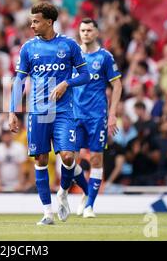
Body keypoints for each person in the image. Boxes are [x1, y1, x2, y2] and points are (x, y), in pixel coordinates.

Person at [9, 1, 90, 225]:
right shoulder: (28, 48)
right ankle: (47, 212)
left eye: (36, 21)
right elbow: (19, 80)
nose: (32, 25)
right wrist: (12, 111)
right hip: (37, 112)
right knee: (41, 159)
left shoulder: (69, 45)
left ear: (49, 21)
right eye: (31, 20)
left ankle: (65, 192)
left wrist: (67, 83)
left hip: (63, 111)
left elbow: (85, 75)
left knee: (67, 156)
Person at [68, 18, 123, 218]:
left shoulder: (105, 57)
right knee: (69, 160)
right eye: (83, 30)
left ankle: (90, 204)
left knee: (95, 158)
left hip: (97, 116)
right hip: (75, 115)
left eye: (89, 30)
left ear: (97, 33)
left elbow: (117, 84)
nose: (86, 34)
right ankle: (85, 190)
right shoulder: (73, 56)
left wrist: (112, 114)